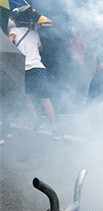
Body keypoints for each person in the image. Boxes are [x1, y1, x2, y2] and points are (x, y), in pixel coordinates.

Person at [8, 7, 61, 138]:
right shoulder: (34, 33)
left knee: (26, 96)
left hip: (24, 69)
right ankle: (55, 130)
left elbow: (8, 43)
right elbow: (40, 49)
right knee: (45, 100)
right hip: (38, 68)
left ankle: (37, 121)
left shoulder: (14, 30)